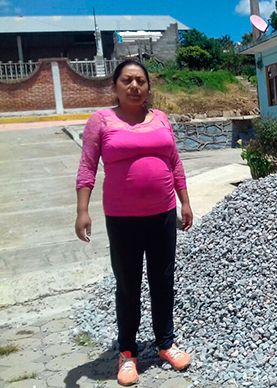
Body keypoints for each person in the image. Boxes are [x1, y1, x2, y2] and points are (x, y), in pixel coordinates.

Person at [75, 60, 193, 386]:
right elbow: (87, 167)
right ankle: (128, 353)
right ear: (115, 86)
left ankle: (165, 343)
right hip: (123, 218)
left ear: (148, 86)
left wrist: (185, 201)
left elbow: (174, 163)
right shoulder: (101, 121)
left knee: (163, 280)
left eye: (140, 80)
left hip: (163, 213)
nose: (134, 86)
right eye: (127, 80)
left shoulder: (162, 119)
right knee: (128, 285)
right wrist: (82, 210)